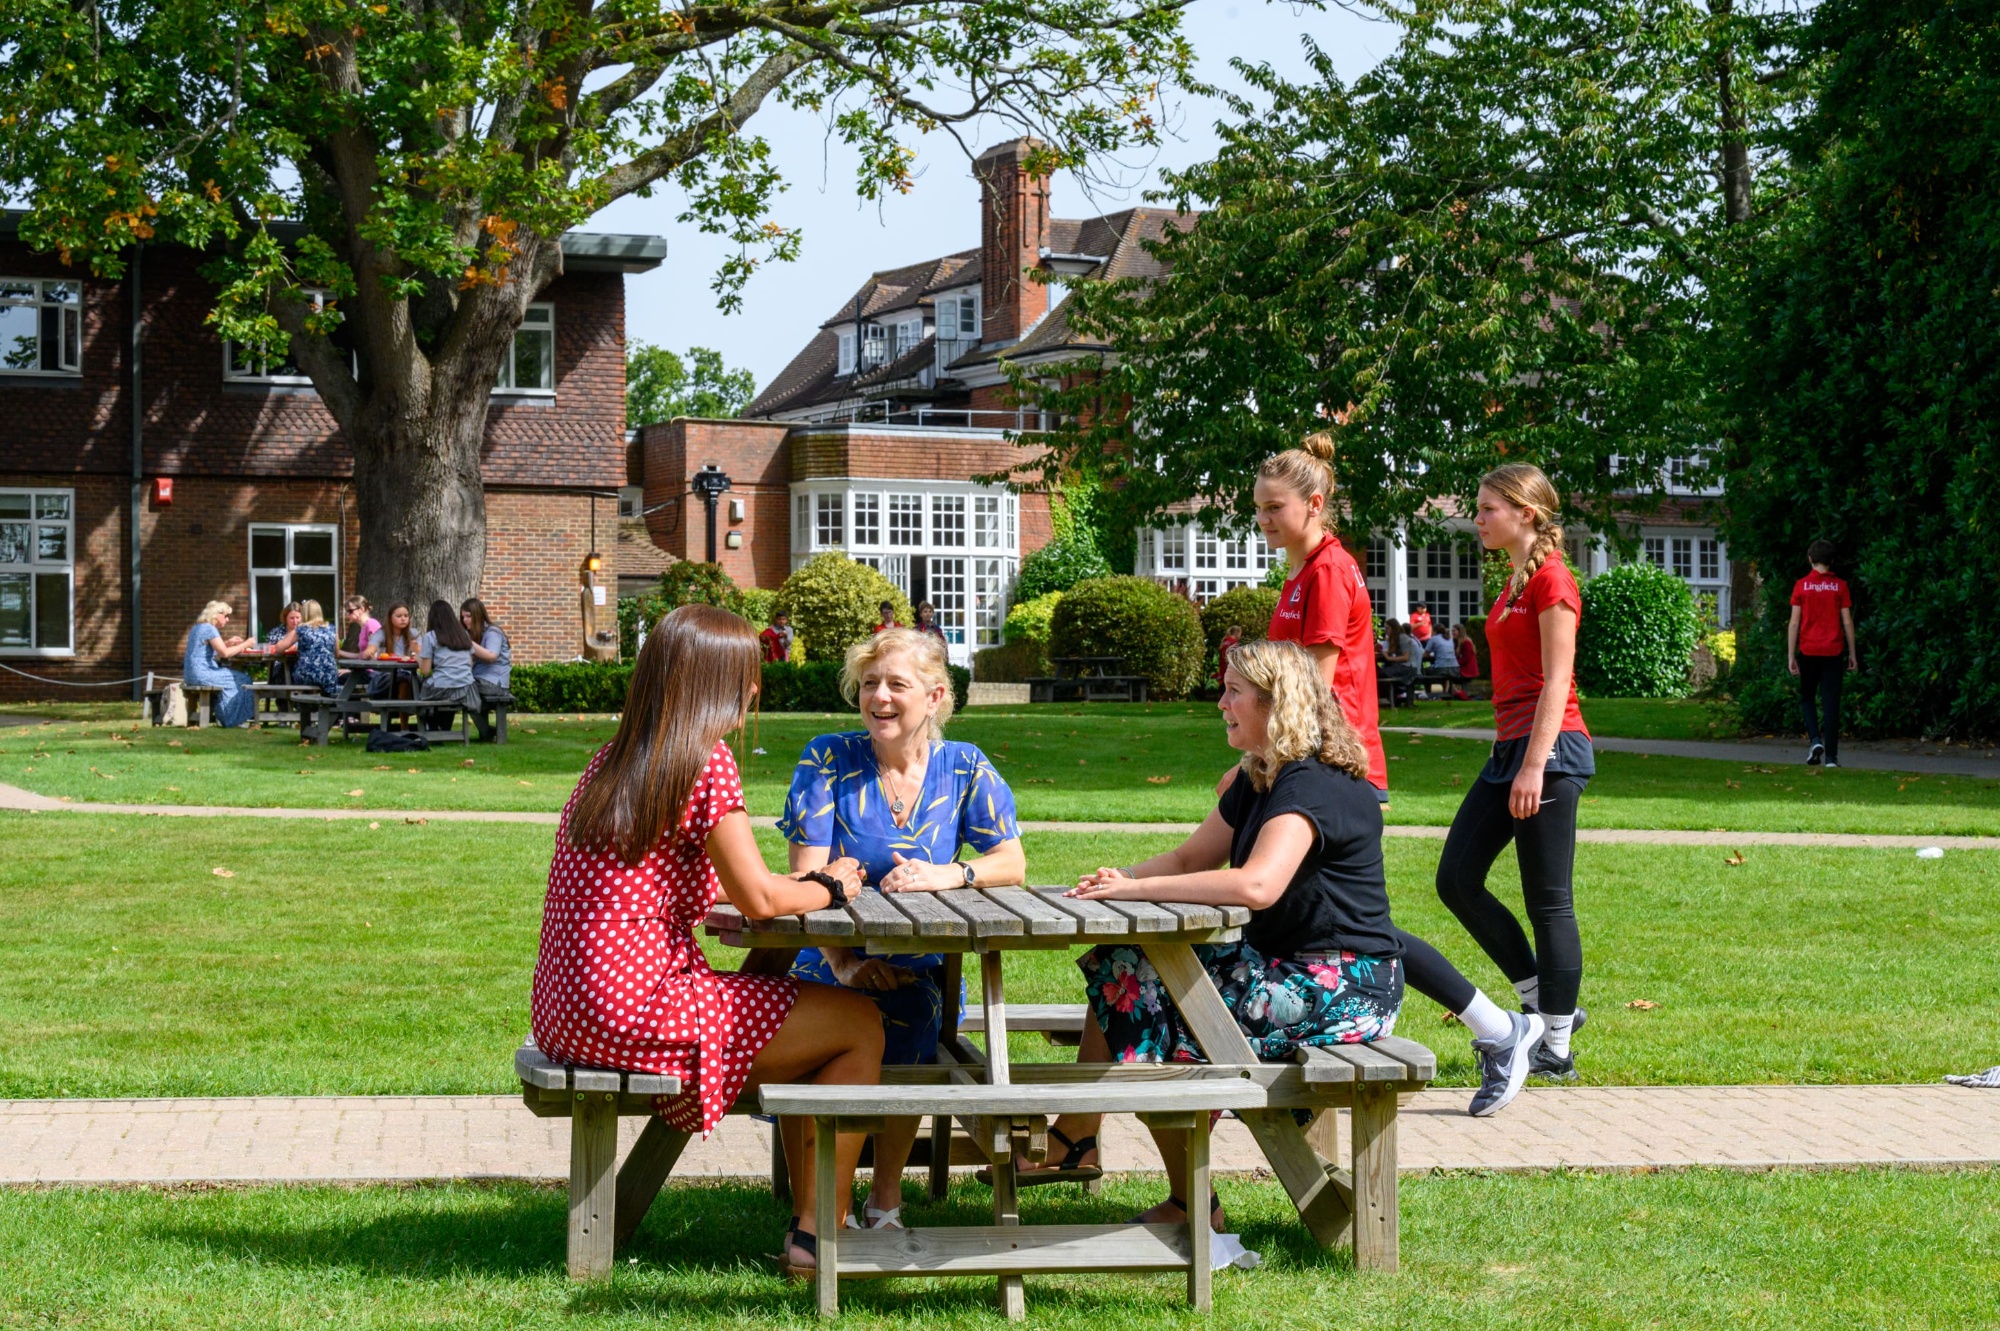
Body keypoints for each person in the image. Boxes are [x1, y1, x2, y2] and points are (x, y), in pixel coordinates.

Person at [532, 605, 884, 1276]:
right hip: (636, 1009)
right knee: (859, 1024)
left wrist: (784, 887)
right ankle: (820, 1238)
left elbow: (705, 882)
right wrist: (833, 883)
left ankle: (811, 1215)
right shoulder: (705, 760)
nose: (756, 689)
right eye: (749, 675)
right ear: (720, 684)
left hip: (566, 1013)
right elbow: (759, 898)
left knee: (801, 1007)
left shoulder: (615, 760)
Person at [1045, 641, 1406, 1231]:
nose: (1221, 703)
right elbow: (1192, 855)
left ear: (1276, 704)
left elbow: (1257, 885)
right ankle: (1092, 1140)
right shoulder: (1261, 777)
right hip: (1285, 970)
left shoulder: (1311, 785)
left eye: (1234, 692)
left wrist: (1131, 896)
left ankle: (1175, 1194)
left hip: (1345, 987)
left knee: (1140, 1003)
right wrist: (1124, 877)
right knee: (1128, 973)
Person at [778, 627, 1026, 1227]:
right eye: (869, 684)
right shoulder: (827, 759)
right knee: (817, 1003)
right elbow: (806, 881)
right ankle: (814, 1201)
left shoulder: (965, 767)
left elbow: (1012, 864)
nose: (879, 698)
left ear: (936, 696)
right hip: (829, 951)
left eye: (897, 685)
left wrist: (951, 872)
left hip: (926, 962)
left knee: (918, 1005)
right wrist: (844, 962)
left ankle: (883, 1196)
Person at [1434, 462, 1595, 1088]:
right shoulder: (1514, 582)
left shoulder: (1554, 581)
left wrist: (1534, 764)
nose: (1478, 519)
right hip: (1511, 751)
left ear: (1526, 513)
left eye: (1488, 510)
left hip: (1549, 755)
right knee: (1457, 879)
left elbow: (1559, 681)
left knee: (1548, 900)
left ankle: (1555, 1044)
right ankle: (1542, 1002)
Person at [1788, 540, 1857, 768]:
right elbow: (1846, 620)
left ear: (1810, 559)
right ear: (1832, 561)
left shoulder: (1801, 586)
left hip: (1809, 650)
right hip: (1833, 650)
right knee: (1831, 703)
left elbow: (1794, 622)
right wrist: (1852, 652)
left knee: (1807, 697)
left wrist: (1791, 654)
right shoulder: (1840, 586)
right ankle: (1831, 758)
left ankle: (1815, 739)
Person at [181, 600, 257, 727]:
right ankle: (231, 719)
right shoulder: (210, 629)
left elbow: (208, 652)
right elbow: (224, 654)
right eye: (226, 616)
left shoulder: (198, 627)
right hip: (203, 674)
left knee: (234, 677)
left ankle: (228, 715)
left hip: (190, 675)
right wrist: (246, 644)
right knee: (243, 679)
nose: (227, 620)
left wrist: (226, 643)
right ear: (216, 615)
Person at [418, 599, 480, 731]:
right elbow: (469, 663)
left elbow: (425, 670)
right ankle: (445, 728)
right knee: (450, 692)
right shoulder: (463, 635)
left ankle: (432, 727)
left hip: (442, 687)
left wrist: (419, 656)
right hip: (466, 688)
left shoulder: (431, 636)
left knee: (423, 685)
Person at [461, 597, 511, 743]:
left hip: (495, 682)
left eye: (468, 616)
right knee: (460, 688)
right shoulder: (474, 634)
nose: (465, 620)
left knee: (462, 690)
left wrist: (468, 643)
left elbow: (491, 656)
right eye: (463, 616)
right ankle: (487, 731)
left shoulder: (492, 632)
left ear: (478, 615)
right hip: (479, 680)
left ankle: (487, 731)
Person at [267, 599, 341, 695]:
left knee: (291, 676)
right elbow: (337, 653)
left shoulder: (301, 629)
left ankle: (299, 706)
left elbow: (279, 648)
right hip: (329, 675)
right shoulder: (332, 629)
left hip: (307, 674)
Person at [263, 602, 303, 686]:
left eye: (297, 617)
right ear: (285, 618)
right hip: (280, 668)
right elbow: (267, 649)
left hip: (301, 667)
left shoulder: (306, 632)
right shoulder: (276, 632)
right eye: (291, 618)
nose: (295, 621)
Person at [1215, 624, 1244, 690]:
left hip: (1222, 673)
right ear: (1237, 633)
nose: (1240, 636)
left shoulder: (1224, 642)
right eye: (1240, 634)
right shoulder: (1233, 644)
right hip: (1231, 673)